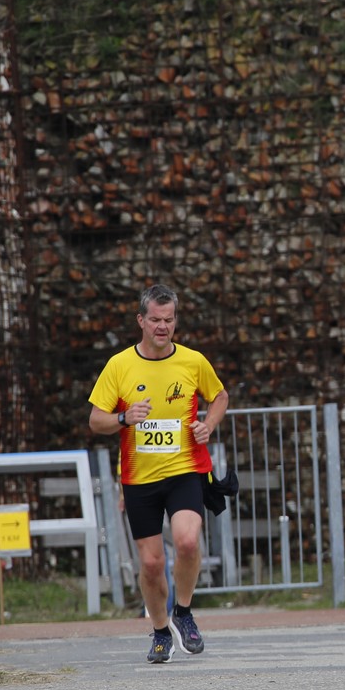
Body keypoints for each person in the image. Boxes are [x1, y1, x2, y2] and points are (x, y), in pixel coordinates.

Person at [88, 284, 228, 663]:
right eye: (155, 320)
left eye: (169, 320)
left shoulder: (192, 361)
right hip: (140, 479)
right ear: (141, 320)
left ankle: (183, 612)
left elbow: (219, 396)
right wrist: (123, 417)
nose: (162, 327)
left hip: (185, 470)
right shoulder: (120, 366)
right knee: (151, 564)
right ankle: (161, 631)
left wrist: (208, 425)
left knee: (187, 541)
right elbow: (96, 420)